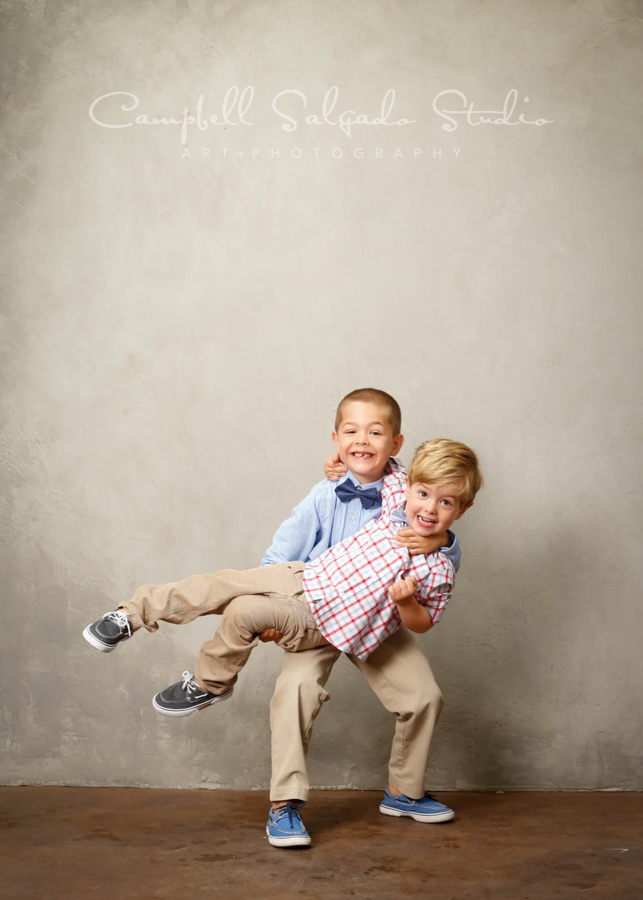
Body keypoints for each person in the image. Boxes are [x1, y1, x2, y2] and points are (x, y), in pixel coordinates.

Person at [83, 427, 482, 847]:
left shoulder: (437, 562)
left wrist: (428, 565)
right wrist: (342, 462)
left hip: (370, 626)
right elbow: (387, 469)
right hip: (308, 595)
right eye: (424, 495)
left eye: (446, 503)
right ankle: (284, 804)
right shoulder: (383, 499)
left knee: (424, 697)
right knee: (271, 655)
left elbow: (424, 619)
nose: (430, 508)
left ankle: (403, 793)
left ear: (462, 508)